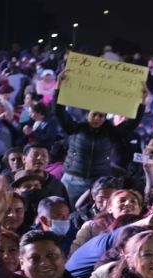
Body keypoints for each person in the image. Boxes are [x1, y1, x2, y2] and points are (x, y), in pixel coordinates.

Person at [53, 73, 146, 202]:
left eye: (101, 116)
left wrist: (141, 102)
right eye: (94, 114)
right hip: (72, 181)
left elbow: (132, 123)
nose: (97, 118)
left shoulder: (111, 133)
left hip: (98, 183)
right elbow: (59, 112)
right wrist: (59, 87)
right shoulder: (75, 129)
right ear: (87, 115)